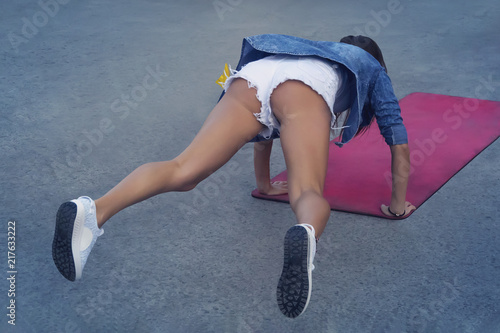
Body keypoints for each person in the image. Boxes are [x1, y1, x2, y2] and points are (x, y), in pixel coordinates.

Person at [52, 34, 415, 318]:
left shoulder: (311, 51)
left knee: (184, 169)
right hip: (301, 90)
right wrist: (397, 205)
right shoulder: (370, 68)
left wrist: (264, 184)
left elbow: (268, 128)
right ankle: (305, 235)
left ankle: (92, 210)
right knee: (306, 192)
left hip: (253, 76)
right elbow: (397, 139)